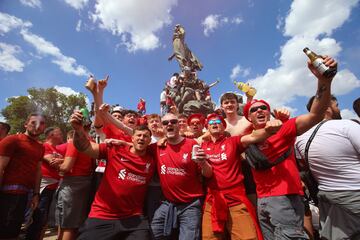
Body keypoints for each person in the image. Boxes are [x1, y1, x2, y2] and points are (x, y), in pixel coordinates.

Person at [243, 55, 337, 240]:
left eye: (264, 108)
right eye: (254, 110)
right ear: (248, 118)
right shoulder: (246, 137)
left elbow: (315, 114)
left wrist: (323, 80)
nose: (259, 111)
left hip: (285, 197)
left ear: (269, 113)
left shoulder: (284, 128)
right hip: (262, 201)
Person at [69, 109, 155, 240]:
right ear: (132, 138)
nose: (141, 138)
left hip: (134, 219)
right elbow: (84, 147)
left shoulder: (153, 160)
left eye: (145, 136)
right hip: (102, 216)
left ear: (150, 141)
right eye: (138, 135)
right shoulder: (114, 149)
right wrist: (78, 130)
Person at [201, 113, 283, 240]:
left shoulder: (233, 141)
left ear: (224, 127)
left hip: (236, 200)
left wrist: (268, 130)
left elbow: (252, 137)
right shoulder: (202, 146)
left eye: (218, 122)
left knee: (247, 237)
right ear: (207, 128)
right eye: (211, 123)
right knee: (209, 238)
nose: (215, 124)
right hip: (212, 201)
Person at [295, 96, 360, 240]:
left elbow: (304, 166)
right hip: (355, 194)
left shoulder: (300, 139)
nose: (339, 109)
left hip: (327, 197)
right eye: (336, 105)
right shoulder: (346, 125)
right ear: (327, 109)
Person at [150, 113, 212, 240]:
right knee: (153, 233)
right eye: (166, 123)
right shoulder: (157, 147)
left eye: (173, 121)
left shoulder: (191, 144)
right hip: (168, 203)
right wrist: (119, 142)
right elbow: (136, 146)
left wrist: (203, 162)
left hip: (190, 204)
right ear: (162, 127)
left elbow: (208, 174)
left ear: (179, 125)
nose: (169, 124)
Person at [0, 113, 46, 239]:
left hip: (26, 195)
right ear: (25, 124)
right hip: (8, 194)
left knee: (15, 231)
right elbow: (1, 167)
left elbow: (38, 171)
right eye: (33, 122)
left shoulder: (40, 147)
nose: (38, 126)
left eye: (41, 123)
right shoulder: (12, 140)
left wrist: (36, 194)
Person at [56, 121, 94, 240]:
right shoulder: (91, 143)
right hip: (85, 183)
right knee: (72, 223)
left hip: (72, 185)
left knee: (68, 225)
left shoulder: (75, 142)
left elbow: (66, 167)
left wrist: (58, 165)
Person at [25, 127, 64, 240]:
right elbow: (51, 161)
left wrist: (63, 160)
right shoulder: (44, 146)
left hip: (55, 186)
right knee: (39, 216)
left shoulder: (57, 149)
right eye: (59, 132)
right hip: (45, 186)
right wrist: (66, 161)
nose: (61, 134)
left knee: (45, 219)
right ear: (51, 135)